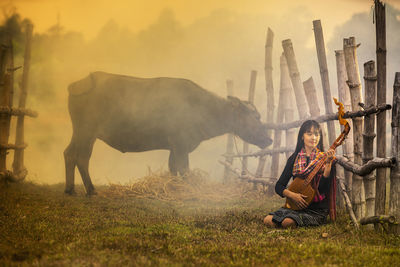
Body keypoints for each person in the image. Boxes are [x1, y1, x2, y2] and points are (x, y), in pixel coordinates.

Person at [264, 120, 336, 229]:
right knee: (268, 220)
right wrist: (293, 196)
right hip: (295, 207)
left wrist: (329, 164)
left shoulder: (324, 159)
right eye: (309, 134)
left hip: (316, 209)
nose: (313, 138)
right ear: (302, 136)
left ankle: (295, 220)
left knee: (287, 223)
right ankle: (291, 217)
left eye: (316, 134)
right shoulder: (293, 159)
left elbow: (322, 189)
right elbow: (279, 186)